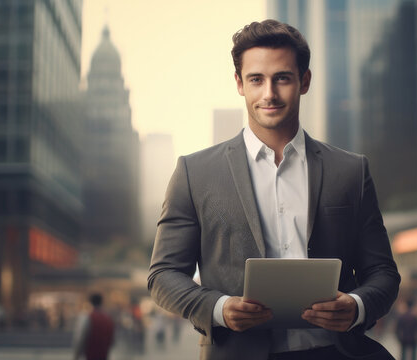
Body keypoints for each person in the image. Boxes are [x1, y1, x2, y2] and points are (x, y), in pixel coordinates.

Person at [148, 19, 401, 359]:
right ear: (239, 83)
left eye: (282, 78)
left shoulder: (351, 171)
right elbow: (163, 275)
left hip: (334, 351)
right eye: (256, 79)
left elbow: (383, 273)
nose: (269, 93)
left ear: (304, 81)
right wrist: (220, 308)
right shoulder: (195, 172)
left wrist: (355, 306)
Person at [73, 293, 115, 360]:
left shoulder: (87, 318)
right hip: (104, 355)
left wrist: (76, 356)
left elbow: (80, 338)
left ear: (90, 302)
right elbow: (112, 340)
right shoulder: (108, 319)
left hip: (91, 355)